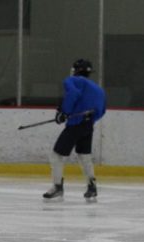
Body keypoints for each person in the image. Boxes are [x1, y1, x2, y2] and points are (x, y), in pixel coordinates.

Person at [43, 58, 107, 203]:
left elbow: (72, 94)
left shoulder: (71, 80)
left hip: (76, 124)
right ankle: (92, 186)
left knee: (56, 155)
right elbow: (102, 110)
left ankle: (57, 187)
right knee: (84, 156)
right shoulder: (98, 88)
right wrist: (88, 119)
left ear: (76, 70)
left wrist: (64, 112)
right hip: (88, 125)